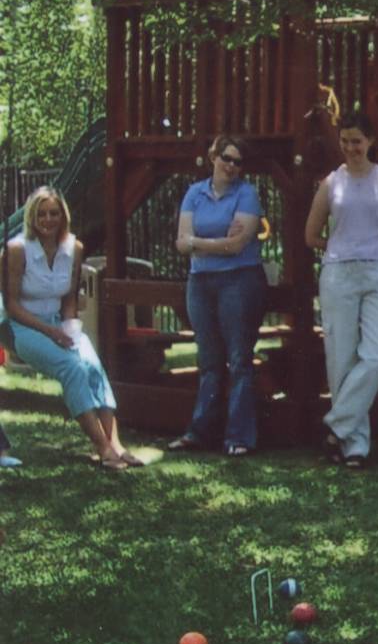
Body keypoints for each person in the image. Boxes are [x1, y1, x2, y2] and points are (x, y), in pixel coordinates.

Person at [304, 111, 378, 469]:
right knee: (341, 358)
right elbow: (311, 235)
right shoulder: (331, 183)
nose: (351, 148)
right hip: (339, 273)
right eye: (345, 141)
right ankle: (354, 446)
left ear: (370, 142)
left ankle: (336, 424)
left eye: (357, 141)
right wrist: (342, 245)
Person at [1, 186, 142, 469]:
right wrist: (51, 332)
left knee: (91, 364)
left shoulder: (74, 248)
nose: (48, 219)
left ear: (63, 216)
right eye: (41, 214)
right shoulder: (17, 249)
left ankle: (116, 444)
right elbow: (12, 305)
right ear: (32, 217)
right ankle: (102, 448)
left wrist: (69, 329)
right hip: (22, 325)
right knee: (72, 368)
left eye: (54, 213)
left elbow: (69, 300)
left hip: (57, 321)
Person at [166, 134, 266, 456]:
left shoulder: (247, 194)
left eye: (238, 161)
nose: (231, 166)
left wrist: (198, 242)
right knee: (209, 360)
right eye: (227, 158)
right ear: (213, 156)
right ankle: (200, 432)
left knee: (239, 359)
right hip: (200, 282)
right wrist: (216, 243)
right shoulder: (194, 193)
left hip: (239, 281)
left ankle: (239, 437)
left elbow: (236, 245)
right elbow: (180, 243)